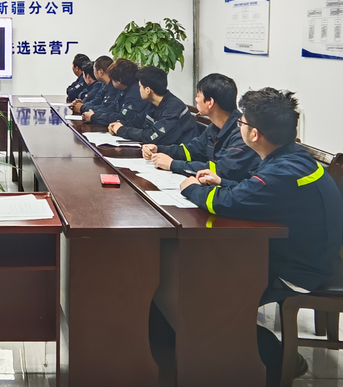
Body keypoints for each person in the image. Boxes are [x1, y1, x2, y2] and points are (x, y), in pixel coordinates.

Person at [180, 88, 343, 386]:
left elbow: (227, 202)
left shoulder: (283, 171)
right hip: (304, 253)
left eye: (241, 123)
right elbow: (256, 190)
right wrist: (222, 181)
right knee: (205, 272)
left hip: (298, 270)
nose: (239, 126)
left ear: (254, 134)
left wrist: (190, 188)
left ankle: (271, 358)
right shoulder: (290, 158)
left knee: (207, 289)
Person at [142, 73, 260, 182]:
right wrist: (159, 149)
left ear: (210, 102)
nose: (196, 99)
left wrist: (172, 164)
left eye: (198, 96)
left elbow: (221, 170)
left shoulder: (242, 132)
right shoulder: (214, 127)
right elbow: (192, 151)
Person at [108, 66, 198, 145]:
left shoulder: (173, 107)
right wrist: (120, 124)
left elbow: (153, 137)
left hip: (179, 154)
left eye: (140, 87)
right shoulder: (153, 103)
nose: (139, 90)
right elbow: (138, 122)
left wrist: (122, 130)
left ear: (148, 90)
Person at [83, 58, 152, 126]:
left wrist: (94, 117)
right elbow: (112, 108)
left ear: (119, 80)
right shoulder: (123, 89)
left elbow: (123, 118)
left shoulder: (135, 92)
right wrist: (94, 114)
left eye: (112, 78)